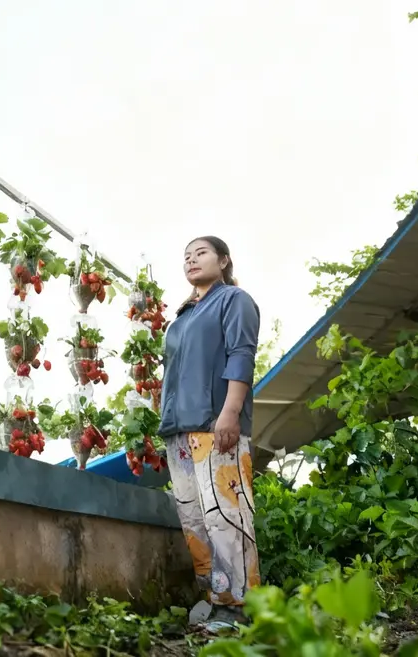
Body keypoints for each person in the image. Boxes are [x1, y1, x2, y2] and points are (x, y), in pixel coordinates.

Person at [159, 235, 260, 626]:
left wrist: (230, 412)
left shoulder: (234, 300)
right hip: (178, 430)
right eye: (186, 256)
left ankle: (237, 605)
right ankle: (214, 594)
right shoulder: (183, 316)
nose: (191, 260)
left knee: (226, 514)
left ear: (224, 260)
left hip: (215, 424)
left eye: (200, 253)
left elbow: (241, 354)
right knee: (194, 517)